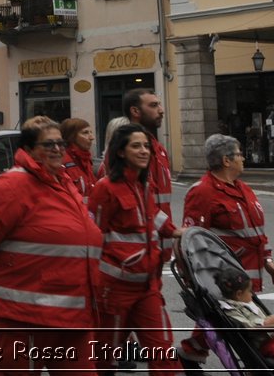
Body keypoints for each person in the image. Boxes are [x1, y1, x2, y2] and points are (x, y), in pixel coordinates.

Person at [0, 116, 104, 376]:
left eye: (60, 143)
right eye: (48, 144)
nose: (57, 149)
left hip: (71, 314)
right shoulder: (13, 185)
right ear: (28, 149)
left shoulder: (62, 182)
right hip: (24, 316)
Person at [177, 133, 274, 367]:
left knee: (224, 317)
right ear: (226, 160)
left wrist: (268, 259)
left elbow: (257, 230)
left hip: (249, 271)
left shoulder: (243, 188)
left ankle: (190, 352)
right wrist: (191, 276)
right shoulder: (202, 192)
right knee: (233, 320)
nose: (243, 158)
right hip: (224, 273)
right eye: (240, 154)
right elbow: (192, 238)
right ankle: (255, 363)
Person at [90, 123, 180, 374]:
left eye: (146, 146)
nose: (144, 151)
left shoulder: (144, 185)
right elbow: (93, 236)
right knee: (103, 359)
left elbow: (151, 215)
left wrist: (175, 232)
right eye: (136, 146)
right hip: (114, 290)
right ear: (120, 152)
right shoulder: (105, 188)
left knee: (163, 351)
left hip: (147, 287)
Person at [122, 89, 174, 263]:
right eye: (153, 105)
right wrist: (170, 229)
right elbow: (137, 199)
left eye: (159, 104)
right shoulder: (126, 149)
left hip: (158, 241)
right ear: (135, 111)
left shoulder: (158, 149)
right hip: (138, 248)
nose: (161, 110)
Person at [60, 118, 97, 199]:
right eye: (85, 133)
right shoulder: (62, 161)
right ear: (71, 137)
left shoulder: (86, 159)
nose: (92, 137)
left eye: (91, 132)